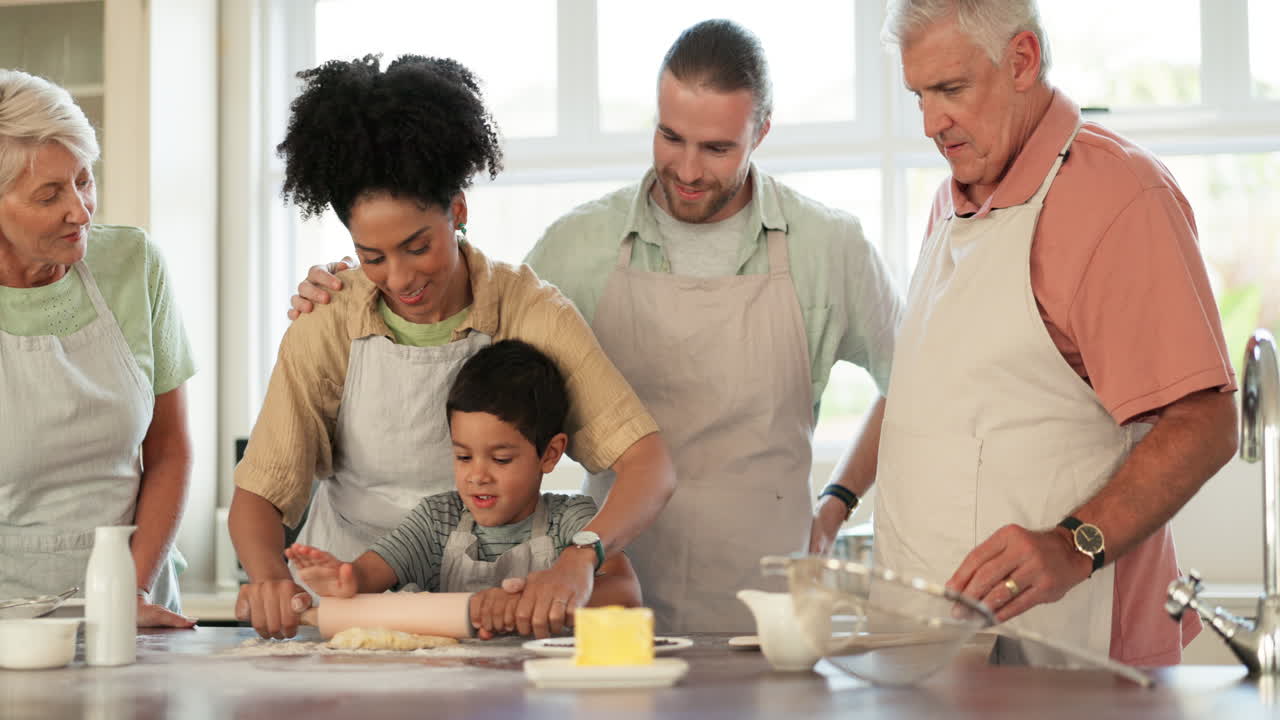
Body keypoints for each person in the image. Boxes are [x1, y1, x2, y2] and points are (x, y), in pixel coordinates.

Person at [291, 21, 904, 633]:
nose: (687, 169)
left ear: (761, 132)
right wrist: (359, 282)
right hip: (603, 601)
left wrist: (838, 501)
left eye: (717, 148)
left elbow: (910, 385)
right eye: (670, 136)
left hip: (770, 609)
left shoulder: (832, 248)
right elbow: (456, 327)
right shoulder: (576, 247)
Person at [230, 55, 674, 640]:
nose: (399, 277)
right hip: (356, 617)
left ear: (458, 211)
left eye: (417, 246)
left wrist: (580, 559)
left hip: (490, 622)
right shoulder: (327, 321)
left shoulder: (531, 313)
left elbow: (650, 467)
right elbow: (259, 496)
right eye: (372, 256)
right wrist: (269, 578)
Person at [865, 0, 1238, 666]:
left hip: (1064, 655)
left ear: (1022, 61)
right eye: (918, 95)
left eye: (950, 89)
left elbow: (1205, 421)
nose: (929, 123)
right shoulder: (949, 203)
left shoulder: (1119, 197)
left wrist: (1075, 544)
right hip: (932, 654)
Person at [0, 69, 196, 627]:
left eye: (84, 180)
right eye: (50, 195)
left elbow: (170, 450)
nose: (81, 211)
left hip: (136, 602)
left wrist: (123, 597)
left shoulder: (133, 265)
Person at [288, 339, 641, 639]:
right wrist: (343, 580)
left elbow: (627, 594)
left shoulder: (570, 521)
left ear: (549, 454)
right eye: (463, 456)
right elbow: (367, 575)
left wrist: (531, 600)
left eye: (501, 459)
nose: (477, 476)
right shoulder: (437, 521)